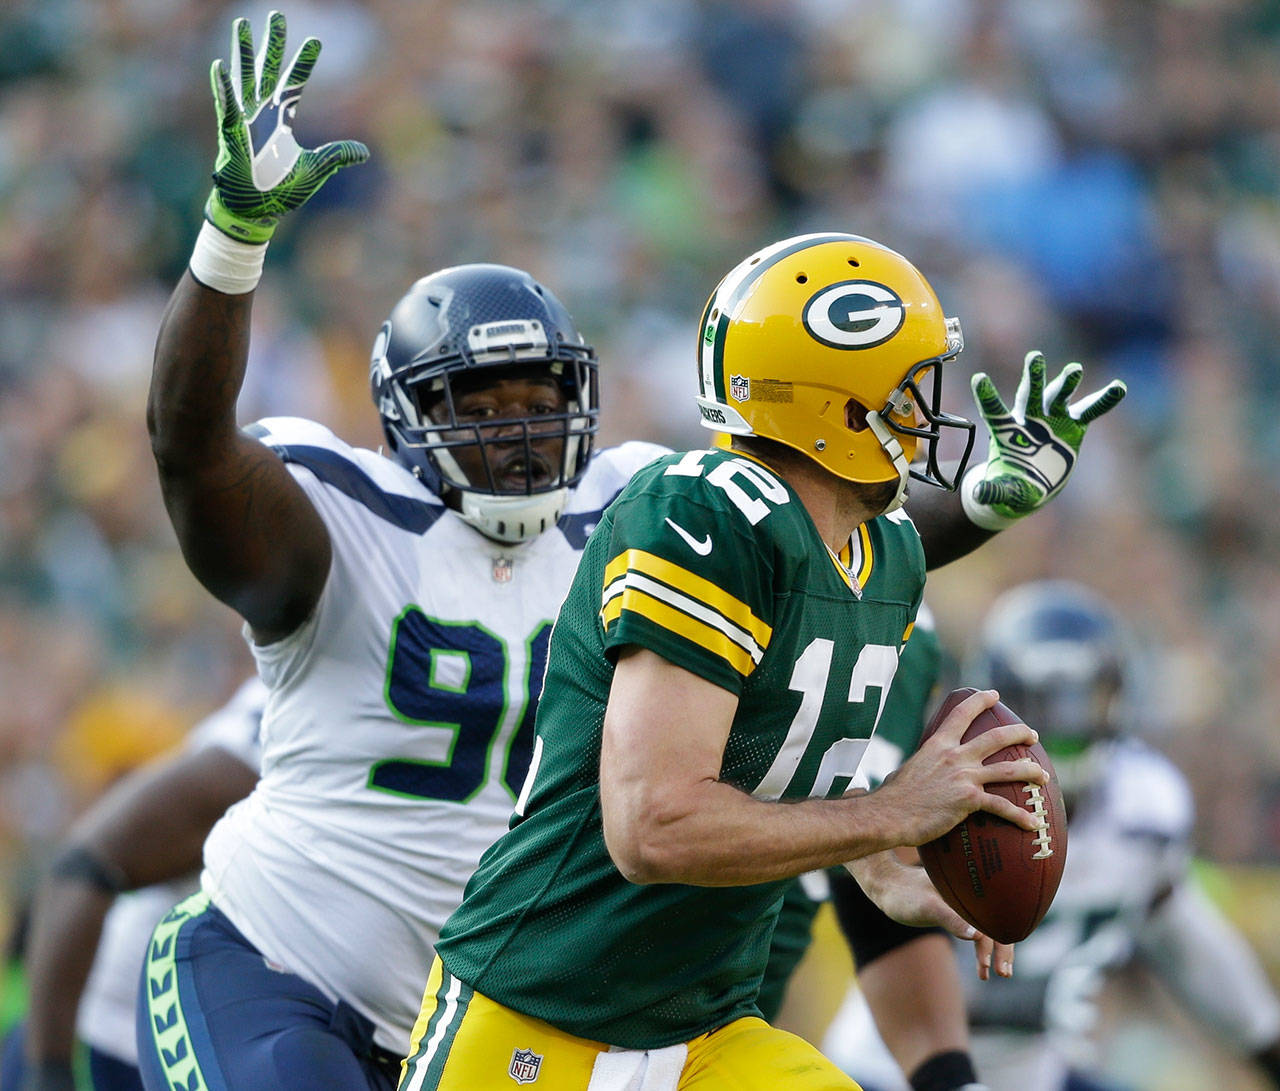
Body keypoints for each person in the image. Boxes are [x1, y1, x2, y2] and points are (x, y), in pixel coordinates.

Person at [141, 14, 1124, 1090]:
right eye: (481, 403)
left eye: (543, 396)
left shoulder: (650, 505)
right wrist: (231, 240)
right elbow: (191, 453)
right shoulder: (371, 521)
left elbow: (828, 552)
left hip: (656, 1006)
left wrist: (977, 508)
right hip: (322, 963)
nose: (519, 429)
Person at [403, 227, 1123, 1091]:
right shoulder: (700, 513)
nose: (930, 414)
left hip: (707, 1029)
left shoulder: (885, 553)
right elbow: (655, 826)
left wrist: (877, 865)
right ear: (836, 400)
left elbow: (783, 772)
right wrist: (891, 813)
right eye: (906, 389)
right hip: (539, 1016)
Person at [825, 581, 1280, 1091]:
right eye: (1044, 700)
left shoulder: (1143, 808)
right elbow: (882, 930)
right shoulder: (940, 792)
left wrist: (1267, 1043)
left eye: (1088, 698)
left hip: (1035, 1073)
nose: (1066, 723)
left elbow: (1182, 938)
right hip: (894, 1071)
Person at [3, 679, 263, 1091]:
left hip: (192, 1038)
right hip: (108, 1039)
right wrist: (50, 1072)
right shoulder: (259, 750)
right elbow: (82, 866)